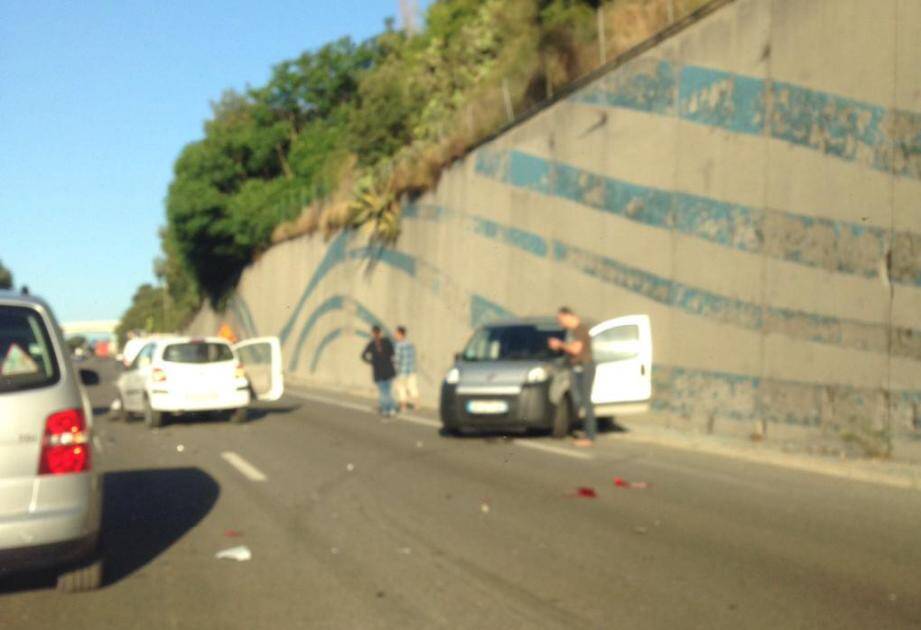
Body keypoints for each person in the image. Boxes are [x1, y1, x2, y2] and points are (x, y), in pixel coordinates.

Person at [548, 306, 596, 447]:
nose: (559, 323)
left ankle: (590, 436)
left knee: (586, 401)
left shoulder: (580, 329)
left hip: (584, 367)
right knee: (577, 400)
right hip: (575, 368)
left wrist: (560, 344)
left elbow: (576, 349)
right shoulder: (572, 331)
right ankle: (585, 431)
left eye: (560, 319)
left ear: (567, 315)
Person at [361, 325, 396, 416]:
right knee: (387, 391)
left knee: (383, 391)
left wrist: (371, 361)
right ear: (380, 332)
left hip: (378, 370)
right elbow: (393, 353)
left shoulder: (372, 344)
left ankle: (386, 409)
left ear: (373, 333)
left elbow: (363, 356)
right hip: (388, 369)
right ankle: (391, 408)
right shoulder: (386, 341)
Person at [393, 326, 420, 412]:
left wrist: (394, 370)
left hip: (402, 371)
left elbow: (397, 360)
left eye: (396, 333)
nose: (395, 335)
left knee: (401, 389)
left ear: (400, 334)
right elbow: (413, 357)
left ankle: (403, 407)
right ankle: (417, 405)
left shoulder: (398, 345)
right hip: (411, 370)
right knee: (413, 388)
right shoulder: (410, 344)